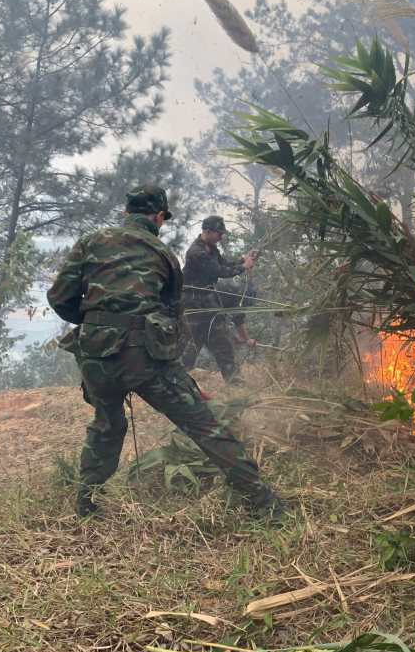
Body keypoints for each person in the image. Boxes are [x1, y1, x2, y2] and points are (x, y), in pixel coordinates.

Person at [46, 187, 283, 521]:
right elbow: (173, 314)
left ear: (126, 212)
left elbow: (59, 297)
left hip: (95, 355)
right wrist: (176, 374)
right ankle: (263, 503)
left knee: (107, 425)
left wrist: (98, 323)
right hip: (143, 357)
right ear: (159, 217)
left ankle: (87, 505)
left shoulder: (90, 242)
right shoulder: (164, 255)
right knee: (202, 424)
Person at [181, 215, 256, 382]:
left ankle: (234, 381)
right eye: (218, 233)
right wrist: (243, 267)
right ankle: (176, 383)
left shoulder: (211, 248)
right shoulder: (196, 252)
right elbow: (219, 272)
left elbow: (223, 264)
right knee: (190, 346)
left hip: (209, 302)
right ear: (207, 231)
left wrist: (241, 260)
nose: (221, 236)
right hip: (193, 305)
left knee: (222, 342)